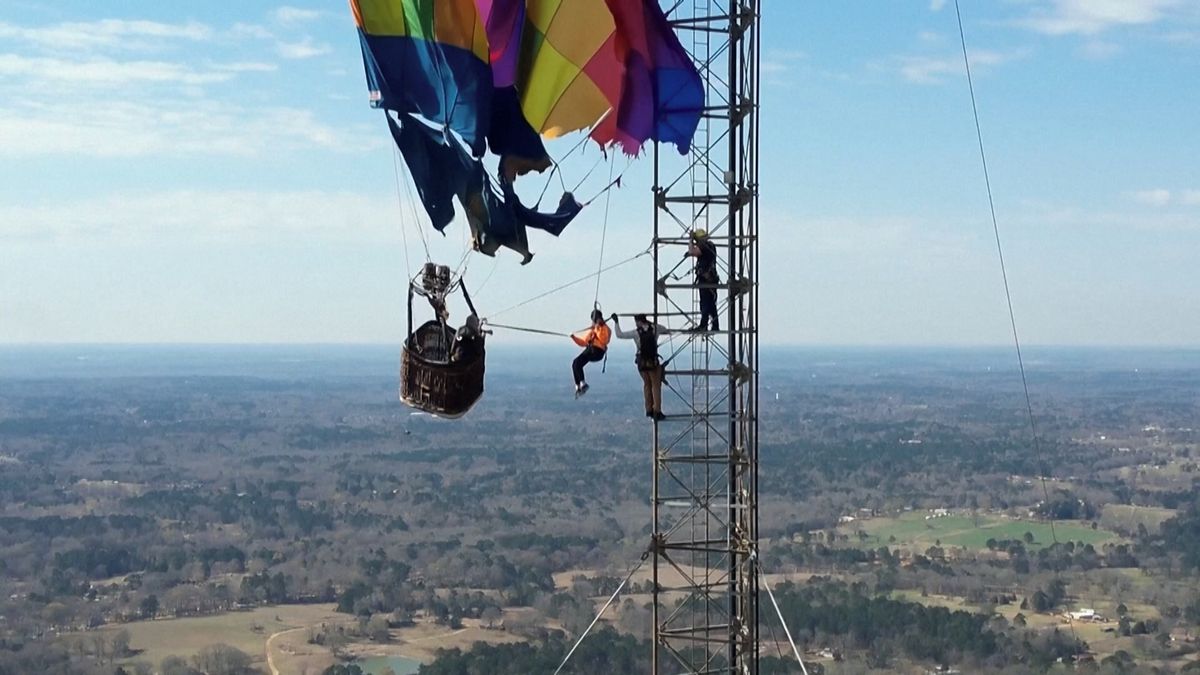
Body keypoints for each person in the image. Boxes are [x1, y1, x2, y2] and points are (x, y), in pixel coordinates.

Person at [612, 313, 668, 420]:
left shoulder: (636, 332)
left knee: (647, 385)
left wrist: (616, 322)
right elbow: (665, 329)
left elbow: (620, 335)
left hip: (642, 363)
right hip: (652, 362)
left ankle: (649, 409)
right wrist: (652, 324)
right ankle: (657, 410)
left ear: (638, 322)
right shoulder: (655, 328)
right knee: (656, 386)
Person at [570, 309, 611, 398]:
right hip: (592, 351)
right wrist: (573, 338)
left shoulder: (605, 328)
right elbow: (583, 342)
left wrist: (598, 328)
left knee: (578, 362)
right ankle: (578, 386)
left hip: (597, 351)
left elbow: (604, 340)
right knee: (575, 363)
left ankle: (582, 383)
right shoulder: (594, 330)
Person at [687, 229, 720, 332]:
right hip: (711, 279)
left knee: (705, 304)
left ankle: (703, 325)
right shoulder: (710, 246)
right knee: (710, 304)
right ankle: (714, 325)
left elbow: (692, 251)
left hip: (706, 280)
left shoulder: (705, 246)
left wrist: (690, 240)